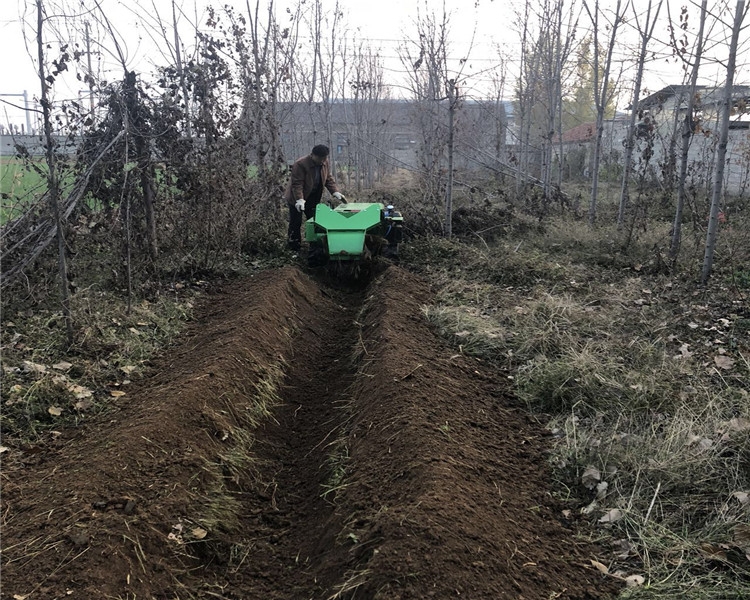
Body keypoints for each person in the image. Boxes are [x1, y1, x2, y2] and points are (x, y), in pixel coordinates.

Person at [284, 144, 346, 252]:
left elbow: (328, 178)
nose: (322, 161)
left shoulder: (325, 162)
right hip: (296, 198)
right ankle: (294, 247)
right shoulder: (300, 164)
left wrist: (335, 191)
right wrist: (299, 199)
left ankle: (315, 245)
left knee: (315, 222)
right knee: (296, 222)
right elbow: (297, 184)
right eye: (320, 158)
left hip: (313, 197)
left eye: (325, 158)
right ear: (312, 155)